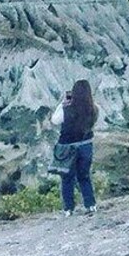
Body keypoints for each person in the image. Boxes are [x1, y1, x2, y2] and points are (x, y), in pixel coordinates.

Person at [50, 79, 99, 216]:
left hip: (67, 147)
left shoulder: (66, 108)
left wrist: (62, 104)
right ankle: (90, 205)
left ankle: (68, 208)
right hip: (86, 145)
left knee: (67, 178)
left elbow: (54, 120)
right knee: (84, 176)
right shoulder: (94, 109)